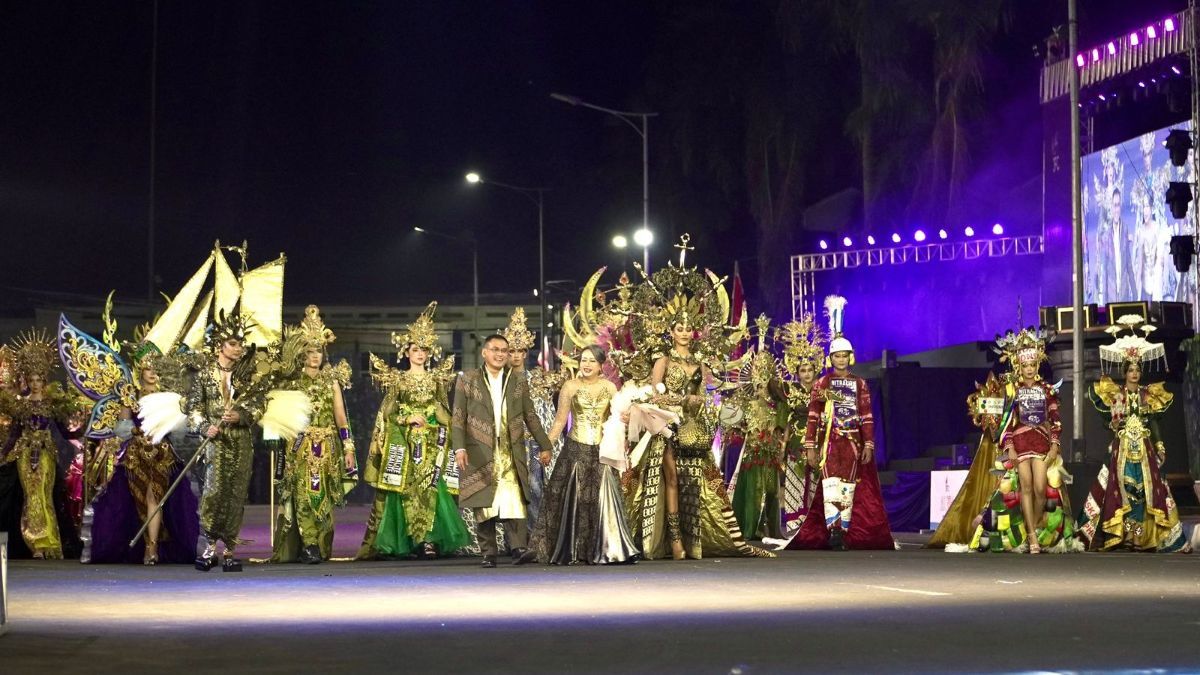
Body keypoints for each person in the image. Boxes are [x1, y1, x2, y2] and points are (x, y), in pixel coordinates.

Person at [358, 302, 469, 560]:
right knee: (405, 489)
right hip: (405, 443)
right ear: (407, 352)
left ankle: (429, 540)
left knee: (430, 488)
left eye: (424, 350)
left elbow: (443, 410)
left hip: (431, 443)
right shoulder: (398, 380)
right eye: (415, 349)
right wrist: (407, 418)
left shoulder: (435, 380)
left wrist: (443, 424)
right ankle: (409, 541)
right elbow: (387, 413)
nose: (420, 353)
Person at [791, 296, 893, 551]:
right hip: (829, 443)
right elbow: (813, 416)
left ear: (851, 357)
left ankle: (843, 531)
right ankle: (832, 530)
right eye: (836, 356)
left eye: (844, 355)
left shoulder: (860, 385)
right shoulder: (821, 384)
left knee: (847, 487)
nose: (841, 360)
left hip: (853, 443)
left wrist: (869, 444)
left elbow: (867, 416)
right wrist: (810, 446)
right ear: (830, 359)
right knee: (830, 485)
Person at [1080, 319, 1189, 552]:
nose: (1135, 373)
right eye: (1131, 370)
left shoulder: (1149, 394)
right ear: (1125, 372)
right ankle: (1127, 534)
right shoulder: (1115, 394)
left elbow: (1154, 423)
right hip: (1122, 450)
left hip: (1145, 451)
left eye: (1138, 370)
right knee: (1124, 491)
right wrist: (1114, 423)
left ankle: (1139, 536)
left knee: (1143, 492)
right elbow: (1107, 421)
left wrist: (1160, 447)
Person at [529, 345, 638, 564]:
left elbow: (617, 418)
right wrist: (547, 445)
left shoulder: (609, 387)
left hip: (602, 450)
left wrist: (626, 419)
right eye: (584, 360)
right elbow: (560, 421)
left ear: (600, 365)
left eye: (592, 361)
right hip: (575, 449)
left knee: (602, 498)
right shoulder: (570, 386)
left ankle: (610, 550)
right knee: (574, 498)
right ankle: (573, 551)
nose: (586, 365)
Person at [452, 333, 553, 568]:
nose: (500, 354)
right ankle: (488, 553)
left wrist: (545, 444)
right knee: (484, 501)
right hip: (479, 449)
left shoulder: (517, 381)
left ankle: (518, 548)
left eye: (504, 351)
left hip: (510, 449)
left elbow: (531, 416)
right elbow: (458, 418)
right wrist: (459, 448)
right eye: (495, 349)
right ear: (484, 352)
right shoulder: (468, 380)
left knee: (513, 498)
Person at [272, 306, 358, 564]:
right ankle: (308, 544)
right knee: (302, 495)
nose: (314, 356)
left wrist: (349, 447)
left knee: (323, 495)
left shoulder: (331, 380)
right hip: (299, 446)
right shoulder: (291, 383)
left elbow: (341, 416)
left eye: (318, 350)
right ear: (301, 353)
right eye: (309, 351)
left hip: (327, 446)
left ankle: (320, 544)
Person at [187, 311, 261, 572]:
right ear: (220, 345)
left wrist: (241, 415)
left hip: (240, 440)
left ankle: (229, 549)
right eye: (233, 343)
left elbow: (259, 406)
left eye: (241, 344)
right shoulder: (205, 374)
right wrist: (204, 426)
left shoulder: (247, 375)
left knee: (236, 494)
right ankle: (209, 548)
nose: (238, 348)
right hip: (215, 443)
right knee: (213, 492)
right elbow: (193, 408)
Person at [0, 330, 83, 559]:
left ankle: (48, 541)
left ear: (44, 380)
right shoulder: (21, 405)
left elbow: (67, 431)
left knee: (44, 494)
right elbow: (14, 433)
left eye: (39, 379)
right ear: (27, 379)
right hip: (25, 454)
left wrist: (86, 427)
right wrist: (4, 454)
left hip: (46, 453)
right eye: (32, 379)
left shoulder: (52, 403)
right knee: (31, 494)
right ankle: (36, 542)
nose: (36, 383)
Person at [729, 316, 789, 541]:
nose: (761, 380)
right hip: (753, 452)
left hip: (771, 453)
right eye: (758, 373)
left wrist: (781, 446)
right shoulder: (746, 402)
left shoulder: (778, 404)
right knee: (753, 490)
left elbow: (783, 428)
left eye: (766, 373)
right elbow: (732, 424)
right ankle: (750, 526)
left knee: (772, 491)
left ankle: (770, 527)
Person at [500, 307, 560, 528]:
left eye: (520, 351)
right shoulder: (499, 380)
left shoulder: (537, 380)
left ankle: (536, 535)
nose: (515, 355)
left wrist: (547, 445)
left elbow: (547, 415)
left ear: (526, 353)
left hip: (533, 444)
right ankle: (515, 541)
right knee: (508, 490)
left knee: (535, 489)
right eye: (511, 350)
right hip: (507, 444)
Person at [771, 314, 826, 539]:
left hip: (817, 440)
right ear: (797, 372)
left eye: (809, 370)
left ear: (815, 371)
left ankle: (813, 526)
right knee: (795, 482)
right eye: (802, 370)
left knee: (814, 484)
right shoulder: (790, 391)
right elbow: (772, 385)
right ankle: (795, 526)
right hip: (795, 442)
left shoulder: (822, 391)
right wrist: (782, 447)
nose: (806, 374)